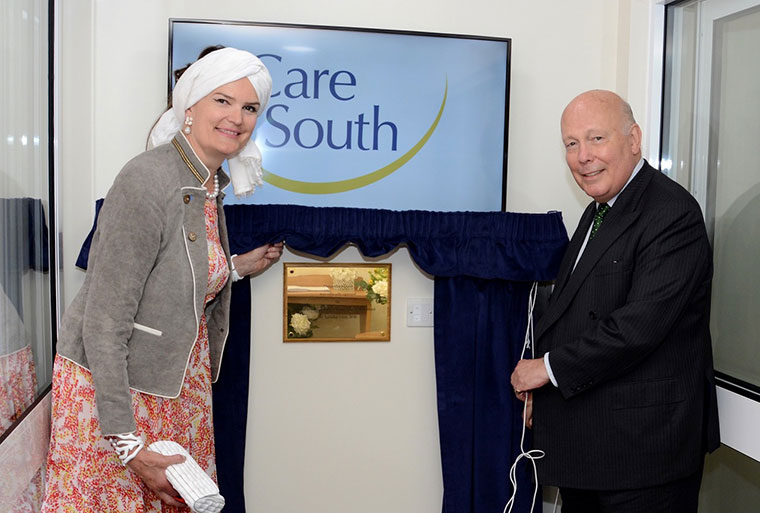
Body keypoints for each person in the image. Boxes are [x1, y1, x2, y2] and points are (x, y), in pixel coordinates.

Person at [42, 47, 283, 511]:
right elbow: (103, 320)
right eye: (223, 100)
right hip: (118, 394)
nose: (237, 117)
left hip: (175, 386)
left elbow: (174, 275)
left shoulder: (208, 184)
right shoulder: (147, 178)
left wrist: (235, 268)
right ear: (189, 106)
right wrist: (127, 444)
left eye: (250, 107)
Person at [510, 90, 719, 513]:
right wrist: (544, 393)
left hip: (644, 458)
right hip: (594, 450)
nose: (583, 156)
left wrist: (546, 370)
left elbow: (636, 328)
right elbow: (575, 312)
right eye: (571, 144)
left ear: (634, 139)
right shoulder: (599, 209)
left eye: (596, 139)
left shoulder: (671, 212)